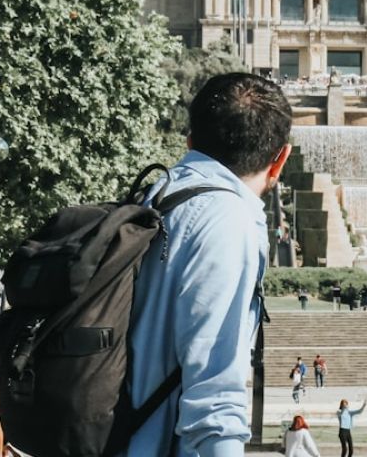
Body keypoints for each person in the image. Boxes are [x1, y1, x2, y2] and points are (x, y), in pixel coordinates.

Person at [123, 73, 293, 456]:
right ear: (280, 159)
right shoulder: (228, 221)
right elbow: (215, 396)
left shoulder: (155, 195)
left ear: (190, 141)